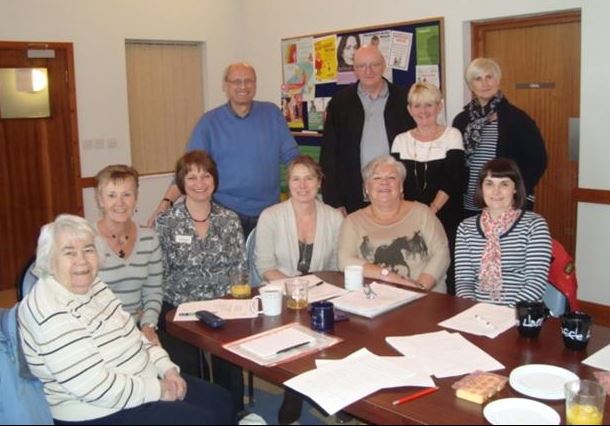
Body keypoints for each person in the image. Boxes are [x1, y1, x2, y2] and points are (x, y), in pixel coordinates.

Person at [17, 214, 235, 425]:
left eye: (88, 249)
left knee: (222, 400)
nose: (81, 260)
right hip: (96, 410)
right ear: (49, 261)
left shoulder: (95, 286)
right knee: (204, 420)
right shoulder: (49, 308)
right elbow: (94, 386)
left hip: (139, 382)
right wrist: (157, 390)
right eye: (69, 252)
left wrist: (166, 368)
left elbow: (135, 336)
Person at [149, 62, 299, 237]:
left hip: (269, 214)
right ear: (225, 85)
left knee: (265, 264)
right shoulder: (209, 123)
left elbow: (293, 158)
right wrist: (166, 203)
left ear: (255, 83)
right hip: (225, 215)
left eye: (248, 81)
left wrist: (307, 193)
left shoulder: (272, 114)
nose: (243, 86)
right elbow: (187, 169)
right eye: (236, 81)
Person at [155, 150, 247, 413]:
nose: (199, 183)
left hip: (223, 306)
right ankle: (197, 414)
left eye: (205, 175)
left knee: (228, 362)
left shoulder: (229, 219)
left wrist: (235, 305)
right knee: (188, 367)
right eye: (191, 177)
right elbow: (159, 272)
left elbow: (239, 267)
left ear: (214, 180)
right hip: (179, 307)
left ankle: (233, 412)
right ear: (181, 183)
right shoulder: (167, 222)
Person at [320, 45, 415, 215]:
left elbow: (415, 149)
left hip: (396, 194)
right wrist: (334, 201)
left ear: (384, 66)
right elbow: (328, 154)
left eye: (374, 65)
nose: (368, 71)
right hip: (352, 196)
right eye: (362, 66)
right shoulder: (340, 103)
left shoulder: (403, 100)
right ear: (355, 70)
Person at [391, 82, 464, 294]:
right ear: (409, 109)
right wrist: (413, 215)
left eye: (429, 105)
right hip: (410, 218)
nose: (423, 111)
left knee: (444, 270)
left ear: (439, 107)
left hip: (445, 216)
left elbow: (453, 179)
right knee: (413, 268)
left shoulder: (452, 135)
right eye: (417, 105)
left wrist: (430, 211)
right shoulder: (400, 140)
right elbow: (397, 183)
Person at [338, 155, 450, 292]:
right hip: (375, 299)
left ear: (401, 186)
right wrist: (389, 277)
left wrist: (419, 288)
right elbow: (344, 261)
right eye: (376, 178)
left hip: (426, 296)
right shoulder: (352, 221)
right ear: (366, 188)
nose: (384, 182)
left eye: (391, 178)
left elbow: (441, 253)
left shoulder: (422, 213)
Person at [452, 57, 547, 218]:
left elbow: (538, 161)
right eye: (478, 78)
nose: (484, 83)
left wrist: (516, 192)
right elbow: (456, 163)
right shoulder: (462, 120)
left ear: (498, 80)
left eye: (489, 77)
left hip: (507, 203)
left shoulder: (517, 119)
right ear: (471, 85)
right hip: (469, 203)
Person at [454, 158, 552, 306]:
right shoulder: (465, 228)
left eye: (504, 184)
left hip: (520, 313)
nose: (496, 191)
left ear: (515, 188)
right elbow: (464, 282)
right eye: (489, 184)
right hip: (477, 314)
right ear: (481, 188)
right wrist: (473, 311)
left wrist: (505, 313)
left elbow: (535, 282)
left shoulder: (534, 225)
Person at [95, 164, 162, 345]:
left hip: (138, 327)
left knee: (170, 368)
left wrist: (148, 326)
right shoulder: (86, 241)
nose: (120, 203)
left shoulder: (149, 238)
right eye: (111, 196)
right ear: (100, 200)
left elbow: (153, 291)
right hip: (100, 332)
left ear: (136, 198)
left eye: (126, 195)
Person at [255, 154, 343, 280]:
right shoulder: (269, 217)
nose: (302, 185)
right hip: (280, 292)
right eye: (296, 179)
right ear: (289, 183)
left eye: (309, 178)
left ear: (319, 182)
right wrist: (297, 291)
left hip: (322, 292)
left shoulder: (335, 218)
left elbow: (336, 266)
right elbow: (266, 268)